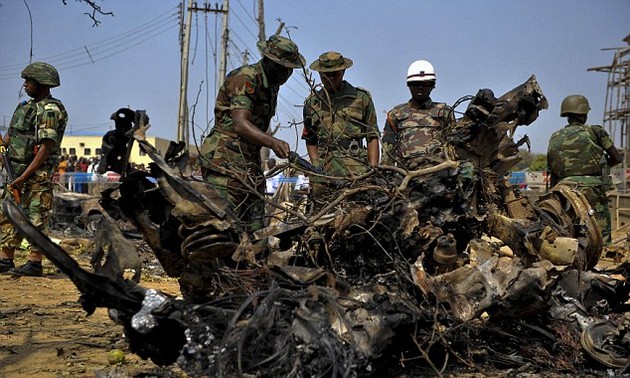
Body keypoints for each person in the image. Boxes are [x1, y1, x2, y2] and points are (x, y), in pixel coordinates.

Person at [198, 35, 304, 250]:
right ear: (269, 62)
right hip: (224, 162)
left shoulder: (271, 86)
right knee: (226, 229)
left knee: (257, 230)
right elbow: (240, 123)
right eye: (284, 67)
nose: (288, 74)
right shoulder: (246, 77)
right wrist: (272, 142)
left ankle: (256, 274)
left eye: (291, 69)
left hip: (247, 163)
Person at [0, 62, 68, 277]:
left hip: (36, 175)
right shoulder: (24, 107)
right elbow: (9, 137)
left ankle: (34, 262)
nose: (25, 85)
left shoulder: (50, 110)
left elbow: (46, 148)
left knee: (36, 216)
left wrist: (24, 176)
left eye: (29, 81)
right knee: (7, 214)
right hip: (15, 172)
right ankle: (5, 259)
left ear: (41, 84)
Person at [302, 51, 379, 203]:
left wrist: (373, 172)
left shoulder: (360, 98)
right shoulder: (312, 103)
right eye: (325, 75)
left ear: (343, 72)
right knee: (322, 218)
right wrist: (316, 166)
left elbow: (372, 136)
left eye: (334, 75)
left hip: (356, 169)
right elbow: (310, 138)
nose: (329, 79)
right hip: (325, 172)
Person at [547, 94, 622, 246]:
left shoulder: (555, 136)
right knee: (600, 227)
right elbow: (617, 157)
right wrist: (602, 166)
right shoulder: (595, 132)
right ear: (584, 114)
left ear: (567, 115)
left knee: (569, 224)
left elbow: (552, 170)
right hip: (592, 188)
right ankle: (604, 256)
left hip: (564, 188)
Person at [381, 60, 456, 169]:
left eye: (425, 84)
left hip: (439, 171)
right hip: (406, 173)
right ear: (409, 85)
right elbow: (388, 148)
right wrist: (385, 172)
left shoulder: (444, 112)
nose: (420, 88)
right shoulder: (396, 114)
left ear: (432, 85)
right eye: (416, 84)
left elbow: (453, 144)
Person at [97, 107, 137, 176]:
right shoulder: (111, 136)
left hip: (121, 170)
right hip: (109, 171)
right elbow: (111, 153)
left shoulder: (128, 137)